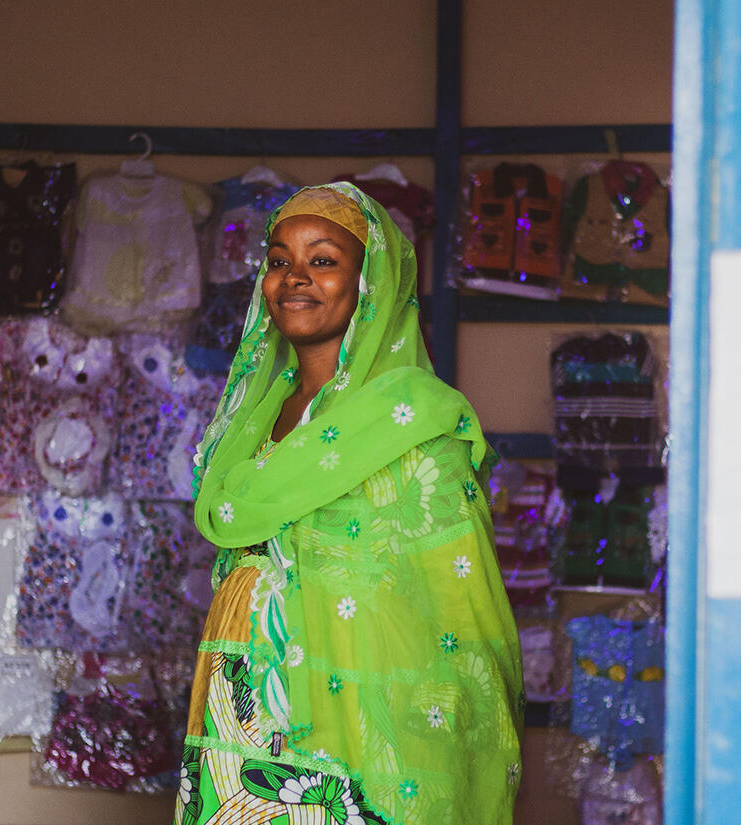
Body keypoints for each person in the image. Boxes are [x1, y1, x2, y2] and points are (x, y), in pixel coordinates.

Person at [184, 183, 522, 825]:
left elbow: (466, 622)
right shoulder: (250, 422)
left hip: (361, 742)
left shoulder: (416, 428)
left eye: (324, 260)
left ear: (372, 281)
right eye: (279, 261)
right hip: (240, 717)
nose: (295, 279)